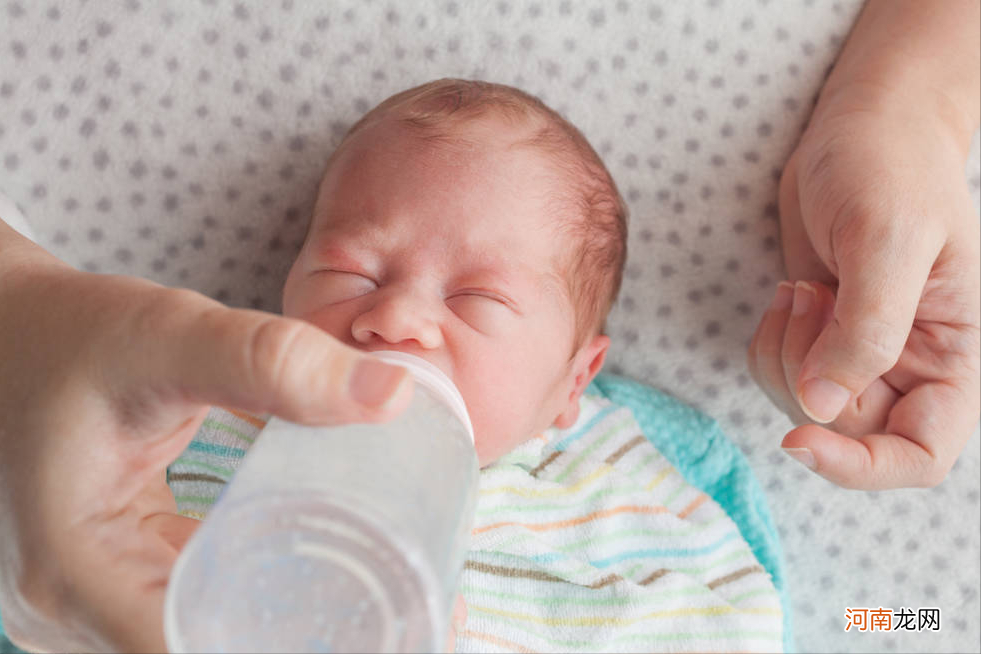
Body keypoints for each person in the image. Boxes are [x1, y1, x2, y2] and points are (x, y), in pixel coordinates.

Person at [0, 0, 977, 650]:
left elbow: (784, 620)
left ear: (572, 383)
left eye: (476, 301)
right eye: (351, 268)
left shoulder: (639, 495)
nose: (395, 318)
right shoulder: (170, 425)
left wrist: (907, 621)